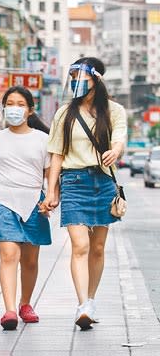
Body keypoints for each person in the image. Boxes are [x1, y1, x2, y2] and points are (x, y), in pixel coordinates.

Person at [42, 57, 127, 331]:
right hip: (74, 181)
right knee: (80, 245)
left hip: (102, 181)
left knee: (98, 247)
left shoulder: (113, 110)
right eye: (73, 76)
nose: (76, 82)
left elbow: (119, 139)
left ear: (96, 80)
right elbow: (56, 155)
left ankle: (91, 299)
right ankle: (83, 305)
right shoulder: (64, 113)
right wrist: (51, 191)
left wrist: (116, 150)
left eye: (81, 77)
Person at [0, 86, 52, 331]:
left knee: (30, 261)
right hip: (4, 201)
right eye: (10, 103)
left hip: (34, 203)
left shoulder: (42, 139)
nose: (15, 108)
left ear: (30, 110)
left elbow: (49, 173)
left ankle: (26, 303)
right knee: (8, 256)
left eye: (20, 104)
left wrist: (51, 198)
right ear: (4, 108)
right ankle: (10, 310)